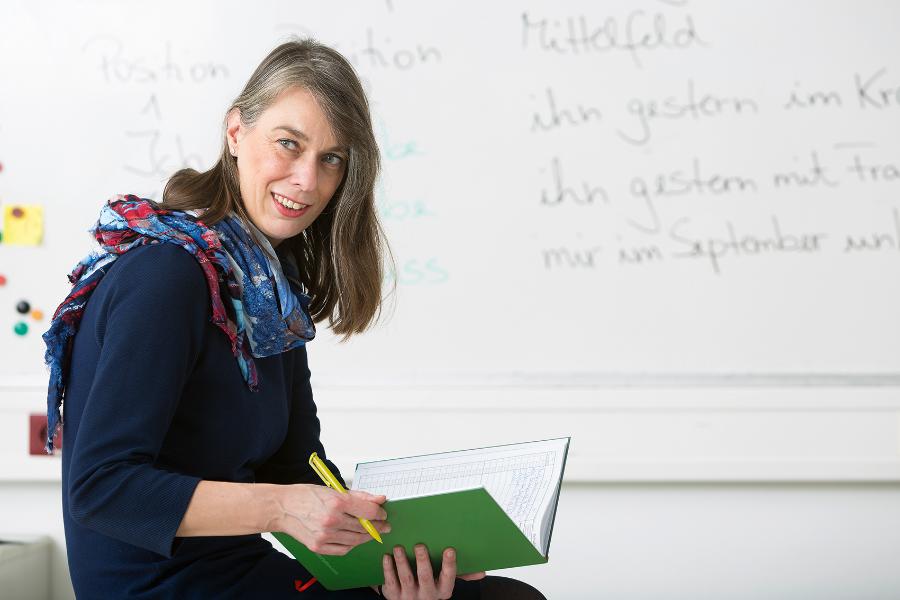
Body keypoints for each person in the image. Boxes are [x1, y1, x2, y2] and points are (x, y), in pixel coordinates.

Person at [42, 39, 546, 599]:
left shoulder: (261, 288)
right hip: (158, 588)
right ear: (236, 132)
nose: (307, 179)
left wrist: (401, 555)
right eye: (289, 144)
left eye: (331, 159)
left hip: (238, 573)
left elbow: (295, 468)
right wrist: (282, 509)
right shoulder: (166, 275)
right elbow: (103, 489)